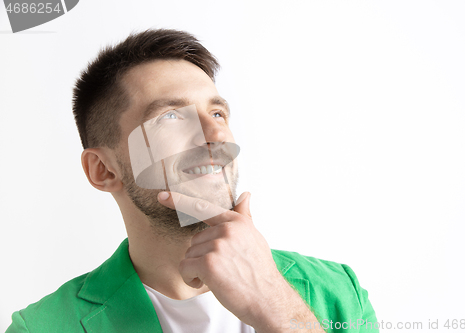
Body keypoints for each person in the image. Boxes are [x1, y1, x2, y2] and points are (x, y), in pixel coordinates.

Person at [6, 29, 378, 333]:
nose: (216, 135)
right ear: (103, 170)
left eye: (217, 112)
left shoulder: (338, 291)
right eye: (170, 117)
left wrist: (276, 309)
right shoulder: (42, 327)